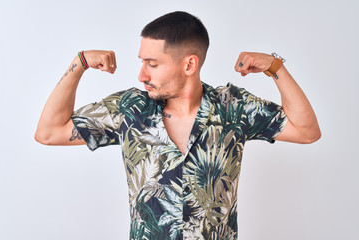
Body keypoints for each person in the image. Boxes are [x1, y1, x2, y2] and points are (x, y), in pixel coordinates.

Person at [35, 11, 320, 240]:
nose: (141, 74)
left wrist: (276, 68)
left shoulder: (233, 107)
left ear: (189, 65)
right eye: (142, 62)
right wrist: (80, 63)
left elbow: (307, 132)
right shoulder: (130, 109)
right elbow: (49, 132)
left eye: (152, 64)